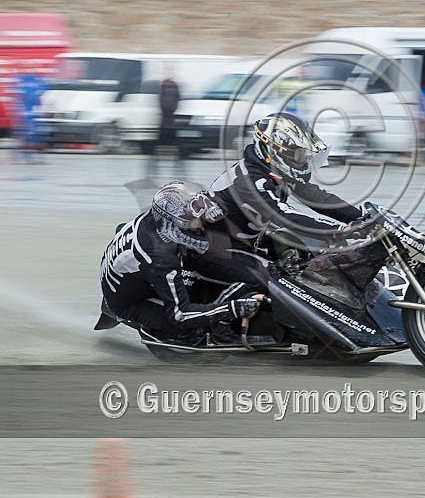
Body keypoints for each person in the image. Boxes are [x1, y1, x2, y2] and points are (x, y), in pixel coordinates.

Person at [98, 181, 264, 343]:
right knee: (195, 329)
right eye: (194, 224)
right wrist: (232, 308)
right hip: (131, 303)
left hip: (132, 271)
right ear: (170, 224)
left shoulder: (156, 219)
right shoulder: (161, 260)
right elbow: (180, 315)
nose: (201, 229)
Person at [211, 112, 363, 257]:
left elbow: (321, 199)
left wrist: (362, 218)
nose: (305, 162)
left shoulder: (279, 174)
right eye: (300, 155)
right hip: (218, 252)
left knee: (318, 249)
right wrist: (338, 230)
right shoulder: (248, 180)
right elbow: (284, 215)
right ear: (273, 151)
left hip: (251, 243)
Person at [146, 75, 182, 180]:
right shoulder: (174, 89)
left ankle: (152, 172)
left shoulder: (163, 89)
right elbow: (177, 104)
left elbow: (160, 103)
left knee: (156, 152)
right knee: (176, 151)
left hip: (163, 123)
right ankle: (177, 172)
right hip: (171, 123)